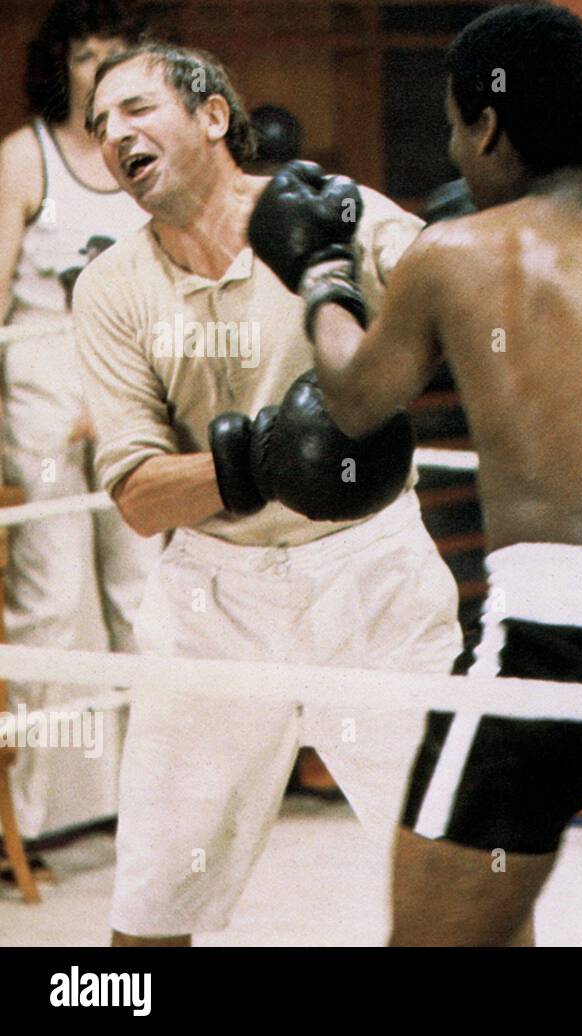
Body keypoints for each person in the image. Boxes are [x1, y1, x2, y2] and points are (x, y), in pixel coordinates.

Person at [248, 3, 582, 947]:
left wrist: (319, 272)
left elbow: (354, 398)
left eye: (452, 120)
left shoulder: (457, 254)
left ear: (487, 126)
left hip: (554, 638)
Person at [74, 41, 463, 946]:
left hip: (375, 583)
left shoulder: (330, 212)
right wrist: (263, 460)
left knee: (457, 876)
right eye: (98, 125)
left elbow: (458, 296)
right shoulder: (111, 287)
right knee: (151, 908)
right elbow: (136, 495)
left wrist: (365, 273)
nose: (113, 134)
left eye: (135, 108)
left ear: (214, 116)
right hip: (212, 602)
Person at [0, 0, 159, 850]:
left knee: (143, 600)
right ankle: (24, 823)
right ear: (59, 62)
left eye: (115, 54)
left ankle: (151, 807)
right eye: (85, 53)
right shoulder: (23, 159)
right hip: (43, 401)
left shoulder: (139, 160)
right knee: (47, 602)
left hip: (127, 397)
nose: (98, 68)